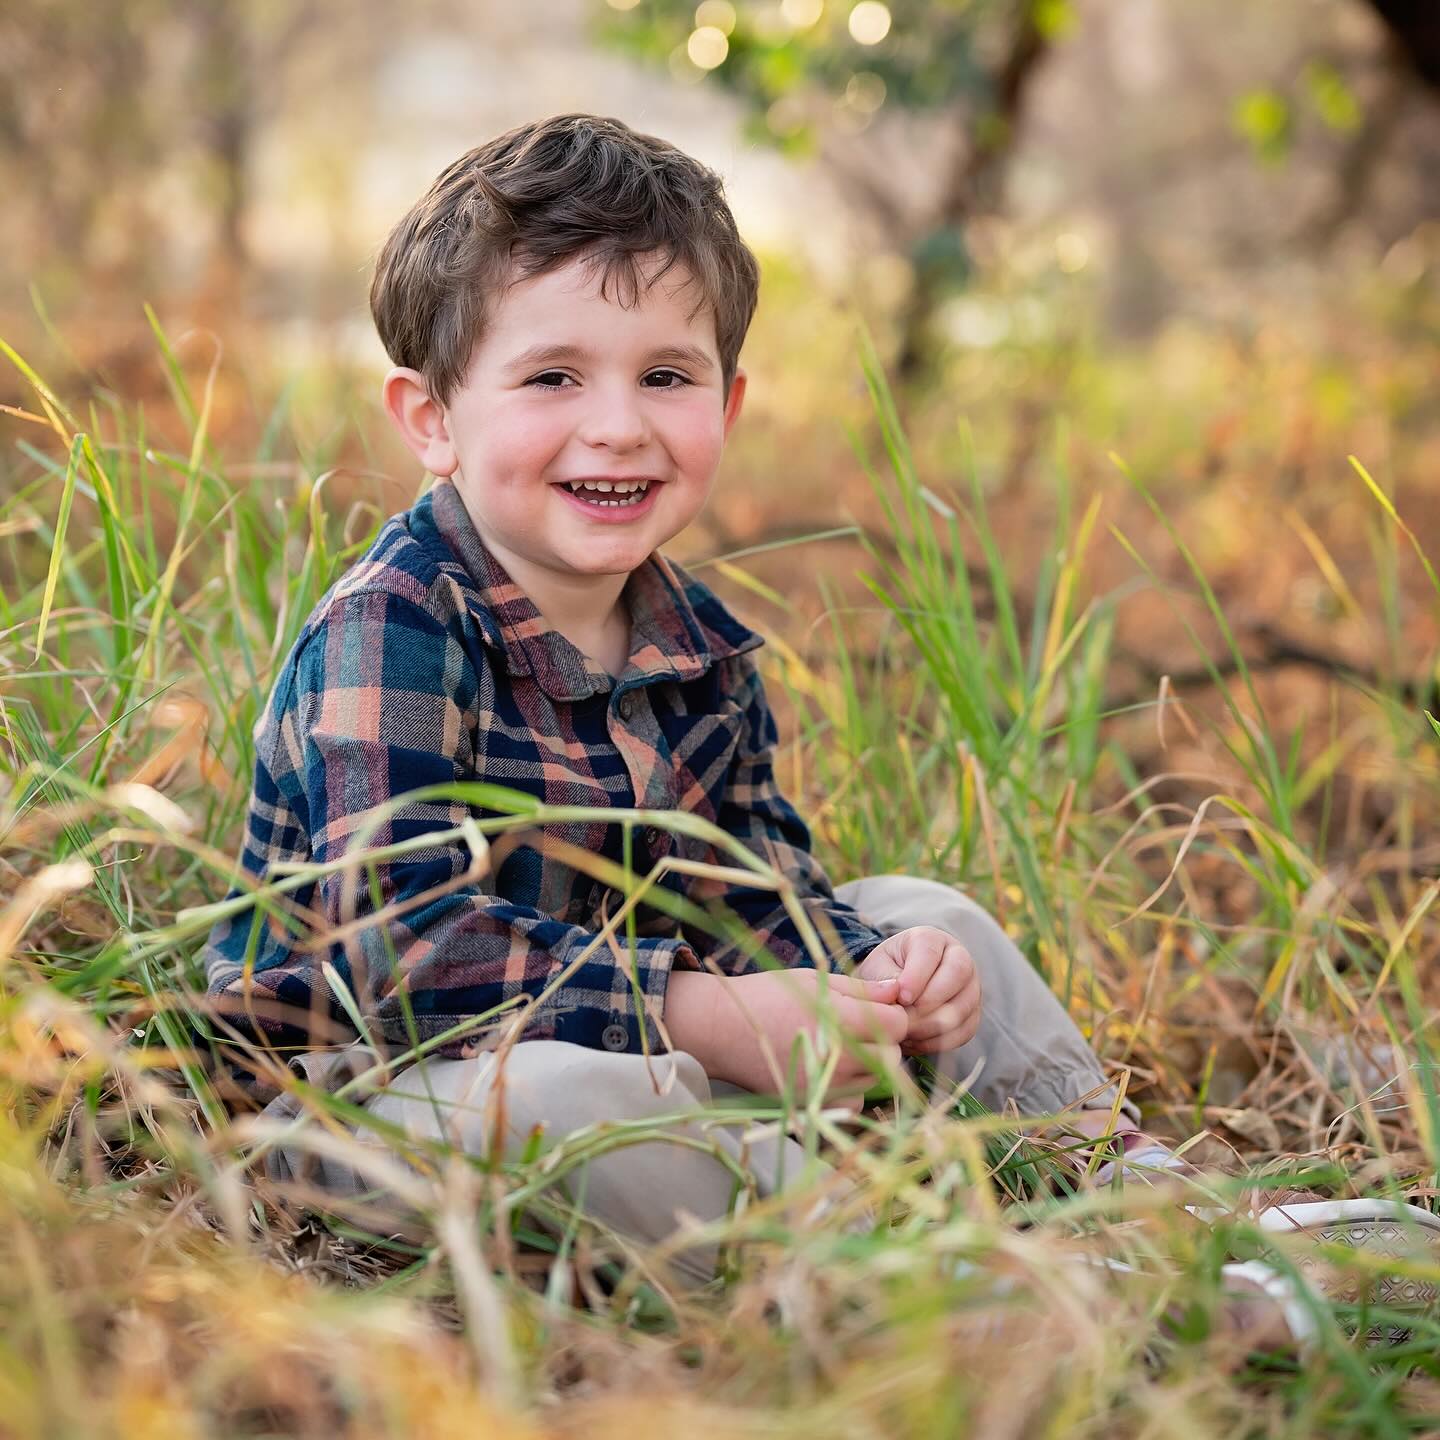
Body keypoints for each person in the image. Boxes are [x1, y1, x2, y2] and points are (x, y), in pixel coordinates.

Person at [201, 114, 1437, 1346]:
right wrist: (701, 1013)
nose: (620, 424)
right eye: (553, 376)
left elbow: (752, 880)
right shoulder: (397, 626)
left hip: (638, 1030)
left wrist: (861, 975)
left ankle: (1129, 1192)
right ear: (430, 418)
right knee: (567, 1102)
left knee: (926, 916)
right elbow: (398, 953)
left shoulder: (694, 639)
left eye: (666, 376)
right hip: (372, 1086)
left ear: (728, 404)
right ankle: (952, 1284)